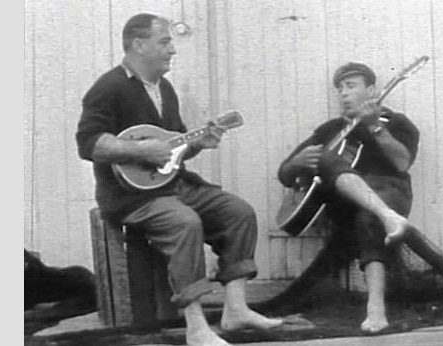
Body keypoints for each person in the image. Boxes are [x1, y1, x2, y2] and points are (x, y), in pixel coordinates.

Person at [76, 13, 282, 346]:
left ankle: (235, 309)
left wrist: (197, 143)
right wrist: (140, 152)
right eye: (165, 42)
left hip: (173, 185)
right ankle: (197, 327)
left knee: (237, 212)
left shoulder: (165, 89)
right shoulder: (109, 87)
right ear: (139, 45)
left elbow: (174, 151)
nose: (172, 50)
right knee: (185, 222)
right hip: (131, 197)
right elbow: (88, 143)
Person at [277, 62, 420, 333]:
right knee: (326, 154)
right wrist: (295, 163)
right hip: (342, 201)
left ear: (372, 90)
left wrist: (375, 126)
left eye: (351, 86)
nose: (343, 93)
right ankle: (388, 217)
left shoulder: (398, 122)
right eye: (340, 88)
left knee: (369, 217)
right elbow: (284, 172)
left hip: (389, 190)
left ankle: (375, 308)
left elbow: (402, 163)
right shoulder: (330, 129)